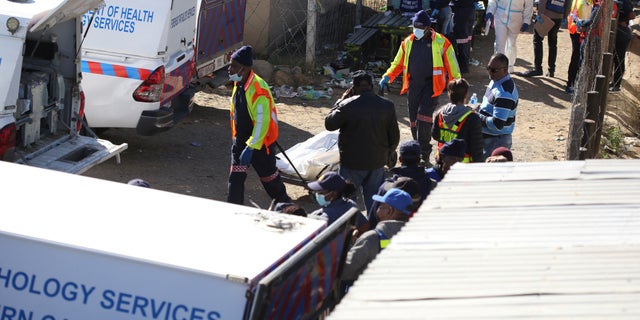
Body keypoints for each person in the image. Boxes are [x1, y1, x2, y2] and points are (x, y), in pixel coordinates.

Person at [379, 10, 461, 166]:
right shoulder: (408, 42)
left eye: (419, 28)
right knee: (413, 120)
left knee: (424, 118)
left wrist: (456, 84)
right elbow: (398, 63)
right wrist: (387, 76)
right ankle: (417, 149)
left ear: (428, 27)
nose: (416, 30)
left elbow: (452, 65)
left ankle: (424, 153)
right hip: (414, 85)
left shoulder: (442, 42)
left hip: (431, 86)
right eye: (414, 27)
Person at [326, 70, 400, 214]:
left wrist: (340, 102)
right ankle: (372, 226)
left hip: (351, 163)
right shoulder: (387, 105)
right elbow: (394, 137)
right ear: (372, 86)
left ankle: (350, 229)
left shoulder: (346, 105)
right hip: (377, 162)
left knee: (347, 201)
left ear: (353, 88)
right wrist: (388, 154)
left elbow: (329, 124)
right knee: (373, 202)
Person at [226, 45, 291, 205]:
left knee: (271, 182)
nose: (229, 69)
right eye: (230, 65)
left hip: (260, 144)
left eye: (234, 66)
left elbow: (262, 122)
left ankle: (290, 210)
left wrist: (252, 146)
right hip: (241, 140)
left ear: (245, 68)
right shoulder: (239, 83)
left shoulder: (258, 90)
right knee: (235, 179)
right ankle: (233, 212)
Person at [341, 188, 413, 284]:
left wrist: (349, 244)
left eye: (381, 205)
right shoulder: (414, 235)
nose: (377, 208)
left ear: (389, 211)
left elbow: (345, 271)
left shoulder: (371, 239)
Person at [367, 140, 432, 228]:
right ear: (419, 159)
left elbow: (373, 219)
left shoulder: (386, 187)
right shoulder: (431, 184)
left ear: (400, 159)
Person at [477, 53, 519, 158]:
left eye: (494, 70)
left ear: (505, 70)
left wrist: (476, 116)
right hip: (490, 139)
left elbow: (497, 124)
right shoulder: (496, 80)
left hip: (495, 141)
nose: (490, 72)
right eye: (488, 68)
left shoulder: (504, 93)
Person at [432, 78, 484, 162]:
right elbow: (476, 149)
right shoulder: (472, 118)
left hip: (442, 163)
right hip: (462, 168)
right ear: (466, 95)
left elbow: (435, 135)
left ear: (449, 94)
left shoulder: (440, 114)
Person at [521, 0, 572, 77]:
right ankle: (551, 69)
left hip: (546, 14)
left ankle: (538, 68)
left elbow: (542, 2)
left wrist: (540, 15)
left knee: (537, 40)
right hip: (558, 16)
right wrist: (563, 15)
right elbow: (569, 3)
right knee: (552, 43)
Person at [485, 0, 534, 73]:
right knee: (500, 43)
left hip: (516, 18)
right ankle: (498, 67)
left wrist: (526, 21)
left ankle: (509, 66)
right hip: (500, 15)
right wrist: (490, 11)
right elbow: (493, 1)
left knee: (511, 44)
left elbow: (528, 5)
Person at [566, 0, 595, 94]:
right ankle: (571, 83)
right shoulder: (582, 1)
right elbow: (576, 15)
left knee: (579, 57)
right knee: (576, 57)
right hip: (577, 30)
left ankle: (575, 82)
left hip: (581, 29)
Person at [610, 0, 636, 92]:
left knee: (619, 59)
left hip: (622, 32)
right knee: (614, 58)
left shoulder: (623, 2)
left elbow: (632, 15)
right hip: (618, 31)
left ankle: (617, 84)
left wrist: (622, 18)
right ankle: (613, 81)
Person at [451, 0, 477, 74]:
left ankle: (461, 67)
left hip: (460, 10)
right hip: (468, 9)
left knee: (461, 40)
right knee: (466, 40)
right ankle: (464, 65)